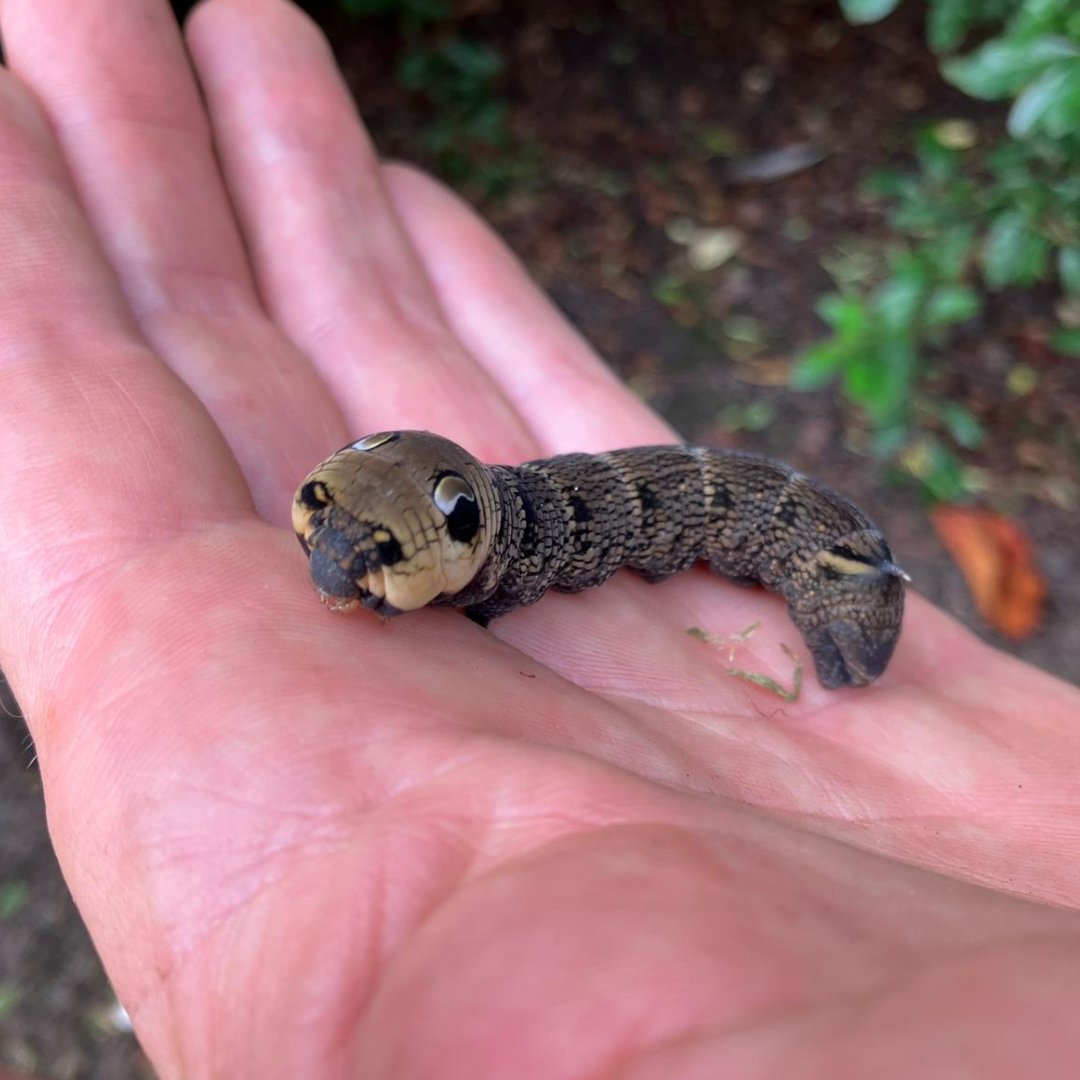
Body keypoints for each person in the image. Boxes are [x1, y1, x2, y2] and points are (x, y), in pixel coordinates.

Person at [1, 0, 1078, 1076]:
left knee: (739, 510)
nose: (338, 575)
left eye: (372, 559)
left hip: (778, 530)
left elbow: (692, 503)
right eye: (337, 541)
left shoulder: (561, 529)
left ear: (464, 537)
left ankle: (841, 576)